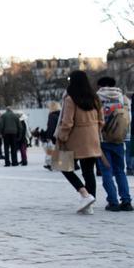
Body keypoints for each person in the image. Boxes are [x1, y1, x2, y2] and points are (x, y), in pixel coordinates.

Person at [55, 70, 103, 214]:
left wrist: (62, 137)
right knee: (89, 172)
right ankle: (89, 204)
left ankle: (84, 194)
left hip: (74, 139)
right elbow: (101, 120)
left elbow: (67, 122)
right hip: (93, 139)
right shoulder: (95, 98)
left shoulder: (70, 99)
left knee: (63, 166)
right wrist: (94, 132)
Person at [96, 76, 132, 211]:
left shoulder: (97, 98)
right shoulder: (123, 98)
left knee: (106, 171)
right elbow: (127, 119)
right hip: (119, 139)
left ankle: (113, 201)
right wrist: (125, 138)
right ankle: (126, 201)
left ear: (101, 86)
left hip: (103, 139)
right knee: (120, 171)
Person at [44, 101, 62, 170]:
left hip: (54, 136)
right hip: (61, 135)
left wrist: (48, 137)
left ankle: (51, 164)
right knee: (59, 150)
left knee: (52, 150)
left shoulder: (52, 115)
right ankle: (60, 164)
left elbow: (51, 127)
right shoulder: (61, 114)